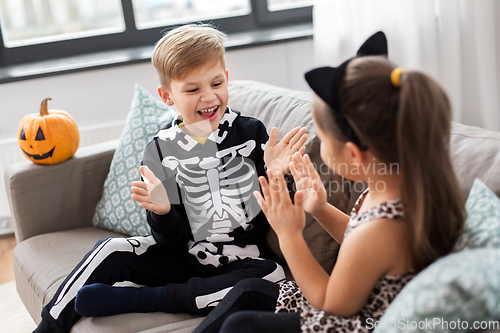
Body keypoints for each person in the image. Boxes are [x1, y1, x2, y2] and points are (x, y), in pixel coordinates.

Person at [33, 24, 308, 333]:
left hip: (244, 261)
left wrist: (277, 174)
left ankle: (147, 300)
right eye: (192, 90)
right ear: (167, 96)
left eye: (216, 83)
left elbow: (278, 217)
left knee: (273, 275)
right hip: (184, 256)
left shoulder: (253, 133)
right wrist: (162, 212)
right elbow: (171, 240)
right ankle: (49, 326)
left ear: (227, 79)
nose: (208, 96)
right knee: (112, 249)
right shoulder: (159, 150)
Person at [193, 31, 465, 333]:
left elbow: (331, 302)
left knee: (241, 326)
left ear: (352, 154)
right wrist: (321, 209)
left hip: (360, 323)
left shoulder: (384, 227)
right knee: (247, 292)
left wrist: (289, 235)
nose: (319, 146)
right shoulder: (398, 186)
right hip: (357, 308)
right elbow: (358, 236)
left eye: (323, 139)